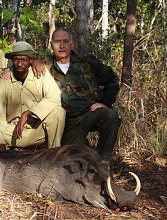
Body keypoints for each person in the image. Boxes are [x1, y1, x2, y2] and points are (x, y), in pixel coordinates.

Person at [47, 28, 120, 163]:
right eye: (57, 42)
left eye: (65, 41)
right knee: (74, 161)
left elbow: (112, 79)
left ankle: (103, 162)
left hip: (89, 113)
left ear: (72, 44)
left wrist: (105, 103)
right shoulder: (45, 68)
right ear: (51, 45)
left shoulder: (86, 63)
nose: (62, 46)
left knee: (111, 116)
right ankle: (87, 155)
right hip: (67, 122)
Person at [0, 41, 65, 152]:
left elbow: (54, 97)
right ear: (12, 61)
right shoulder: (4, 80)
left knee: (58, 112)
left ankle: (53, 154)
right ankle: (3, 157)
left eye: (23, 60)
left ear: (30, 61)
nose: (19, 64)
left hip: (36, 131)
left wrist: (28, 113)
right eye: (16, 60)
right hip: (12, 132)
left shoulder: (41, 74)